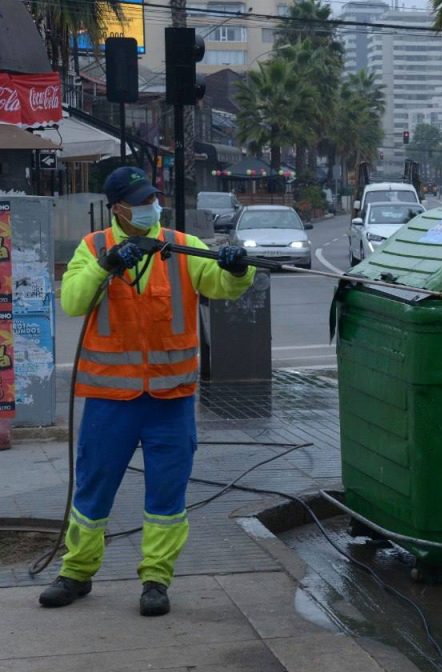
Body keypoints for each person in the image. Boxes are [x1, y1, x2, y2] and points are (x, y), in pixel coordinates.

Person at [38, 167, 255, 616]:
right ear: (118, 207)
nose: (151, 205)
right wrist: (106, 265)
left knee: (166, 498)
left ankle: (156, 579)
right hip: (109, 401)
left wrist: (238, 270)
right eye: (140, 199)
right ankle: (76, 573)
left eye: (152, 196)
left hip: (170, 400)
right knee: (92, 492)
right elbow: (73, 300)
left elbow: (220, 286)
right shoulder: (93, 247)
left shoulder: (182, 246)